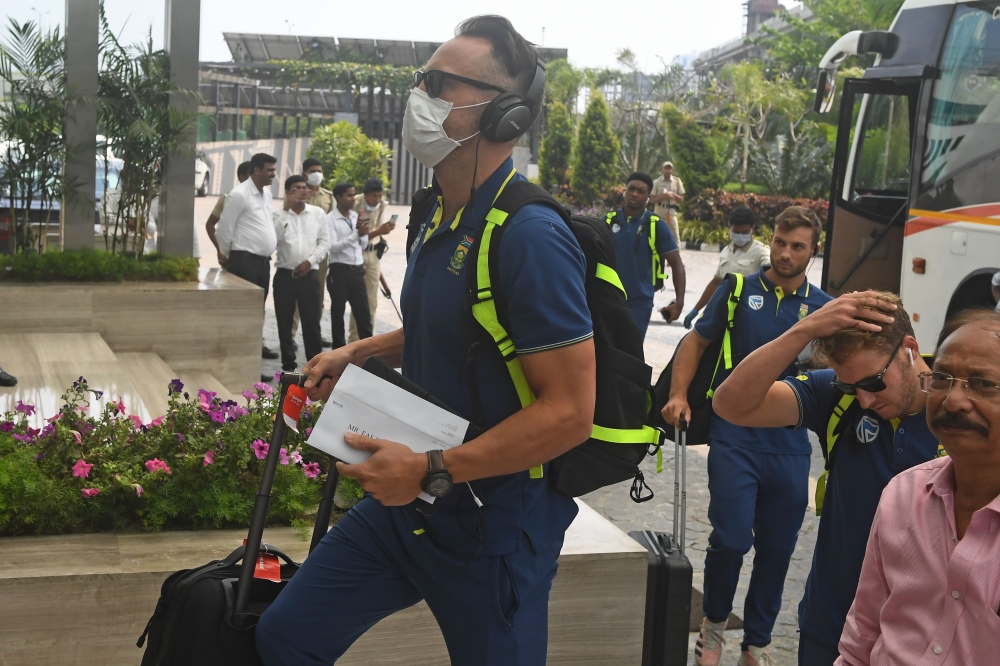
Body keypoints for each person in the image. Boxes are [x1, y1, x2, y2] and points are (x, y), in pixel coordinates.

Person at [255, 15, 595, 666]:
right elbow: (455, 329)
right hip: (408, 506)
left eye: (440, 84)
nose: (421, 96)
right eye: (422, 80)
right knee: (287, 636)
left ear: (503, 115)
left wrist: (432, 470)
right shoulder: (441, 216)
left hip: (493, 520)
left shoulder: (528, 234)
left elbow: (569, 412)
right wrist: (359, 351)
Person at [711, 291, 944, 666]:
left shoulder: (956, 414)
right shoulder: (837, 399)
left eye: (873, 382)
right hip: (831, 626)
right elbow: (730, 404)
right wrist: (804, 329)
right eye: (852, 387)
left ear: (910, 349)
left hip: (920, 639)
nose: (865, 400)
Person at [662, 206, 831, 666]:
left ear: (812, 253)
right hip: (734, 437)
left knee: (777, 551)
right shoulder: (739, 289)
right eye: (780, 241)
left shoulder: (824, 309)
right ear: (770, 240)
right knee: (732, 540)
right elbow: (695, 341)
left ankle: (756, 643)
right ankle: (714, 625)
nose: (785, 253)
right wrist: (679, 395)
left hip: (790, 446)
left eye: (797, 247)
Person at [836, 309, 1000, 665]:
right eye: (942, 378)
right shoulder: (903, 495)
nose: (953, 400)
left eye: (984, 383)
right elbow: (862, 633)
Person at [215, 153, 278, 379]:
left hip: (262, 263)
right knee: (244, 316)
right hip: (244, 261)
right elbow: (223, 228)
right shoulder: (239, 194)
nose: (273, 174)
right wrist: (226, 255)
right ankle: (243, 367)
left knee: (257, 315)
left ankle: (253, 364)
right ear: (256, 170)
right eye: (270, 170)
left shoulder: (267, 194)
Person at [606, 171, 686, 338]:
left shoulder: (656, 225)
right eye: (631, 189)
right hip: (607, 299)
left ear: (648, 196)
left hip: (639, 303)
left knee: (630, 353)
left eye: (641, 191)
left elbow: (677, 264)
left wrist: (679, 302)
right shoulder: (607, 221)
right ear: (624, 191)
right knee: (604, 352)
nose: (634, 194)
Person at [272, 175, 330, 372]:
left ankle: (315, 368)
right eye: (297, 188)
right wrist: (287, 210)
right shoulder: (277, 214)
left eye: (304, 188)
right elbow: (273, 240)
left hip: (309, 276)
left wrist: (310, 261)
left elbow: (325, 242)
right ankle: (288, 367)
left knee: (312, 323)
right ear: (288, 192)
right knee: (284, 323)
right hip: (284, 276)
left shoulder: (318, 213)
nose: (302, 191)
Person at [684, 207, 770, 329]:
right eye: (736, 231)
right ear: (729, 227)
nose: (740, 236)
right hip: (724, 314)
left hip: (749, 316)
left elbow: (771, 274)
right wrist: (695, 310)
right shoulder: (726, 251)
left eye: (744, 232)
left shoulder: (761, 252)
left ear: (753, 229)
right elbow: (715, 283)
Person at [291, 158, 334, 349]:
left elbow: (330, 226)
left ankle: (314, 333)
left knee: (317, 294)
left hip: (321, 254)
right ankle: (290, 335)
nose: (317, 173)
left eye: (320, 170)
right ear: (304, 174)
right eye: (313, 170)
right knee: (294, 295)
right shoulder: (298, 194)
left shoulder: (328, 197)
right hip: (299, 251)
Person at [348, 177, 396, 343]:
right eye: (374, 195)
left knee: (371, 300)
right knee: (358, 298)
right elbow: (356, 235)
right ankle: (354, 340)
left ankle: (367, 339)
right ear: (366, 194)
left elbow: (377, 227)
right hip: (357, 253)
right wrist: (379, 231)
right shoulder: (355, 203)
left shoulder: (382, 204)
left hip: (373, 254)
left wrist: (385, 230)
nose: (377, 199)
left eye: (380, 195)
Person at [326, 182, 373, 349]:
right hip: (340, 271)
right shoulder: (330, 219)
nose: (353, 198)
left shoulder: (355, 216)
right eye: (349, 195)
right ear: (338, 197)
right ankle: (338, 351)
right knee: (338, 313)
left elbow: (363, 245)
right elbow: (333, 248)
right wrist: (356, 234)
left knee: (363, 314)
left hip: (357, 270)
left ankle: (368, 353)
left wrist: (363, 233)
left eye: (354, 194)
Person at [206, 160, 251, 266]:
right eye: (251, 176)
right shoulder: (229, 198)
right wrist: (220, 250)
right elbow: (210, 224)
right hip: (236, 257)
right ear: (242, 177)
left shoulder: (263, 198)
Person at [650, 160, 685, 246]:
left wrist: (674, 195)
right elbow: (651, 200)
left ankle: (677, 256)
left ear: (672, 170)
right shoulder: (657, 182)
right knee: (655, 232)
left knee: (675, 234)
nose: (667, 170)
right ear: (662, 169)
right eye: (666, 168)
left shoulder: (677, 181)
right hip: (659, 210)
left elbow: (681, 199)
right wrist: (664, 196)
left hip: (671, 210)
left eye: (669, 168)